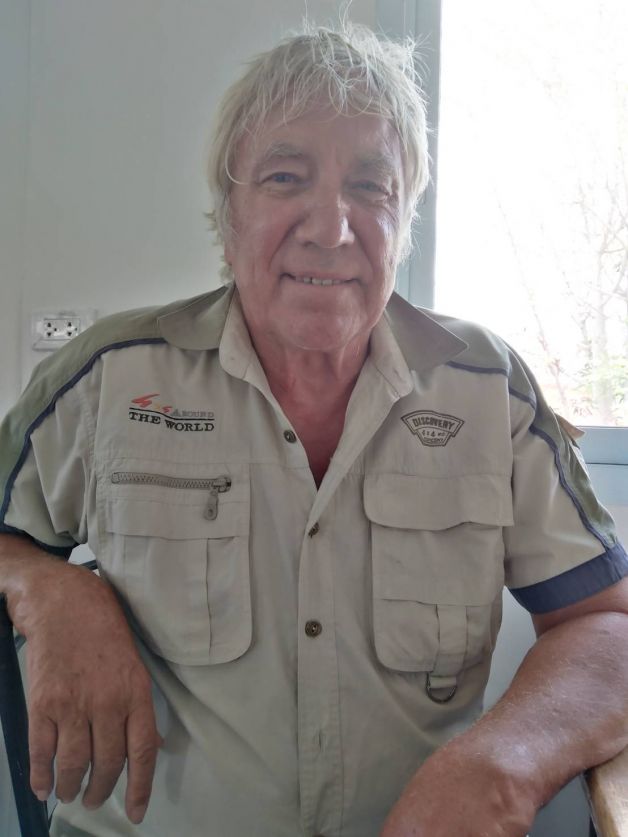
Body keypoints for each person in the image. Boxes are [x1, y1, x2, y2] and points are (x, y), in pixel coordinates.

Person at [1, 21, 627, 837]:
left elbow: (606, 623)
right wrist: (50, 588)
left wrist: (502, 761)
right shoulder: (106, 378)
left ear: (405, 219)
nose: (331, 228)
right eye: (285, 177)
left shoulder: (487, 388)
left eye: (371, 186)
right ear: (226, 216)